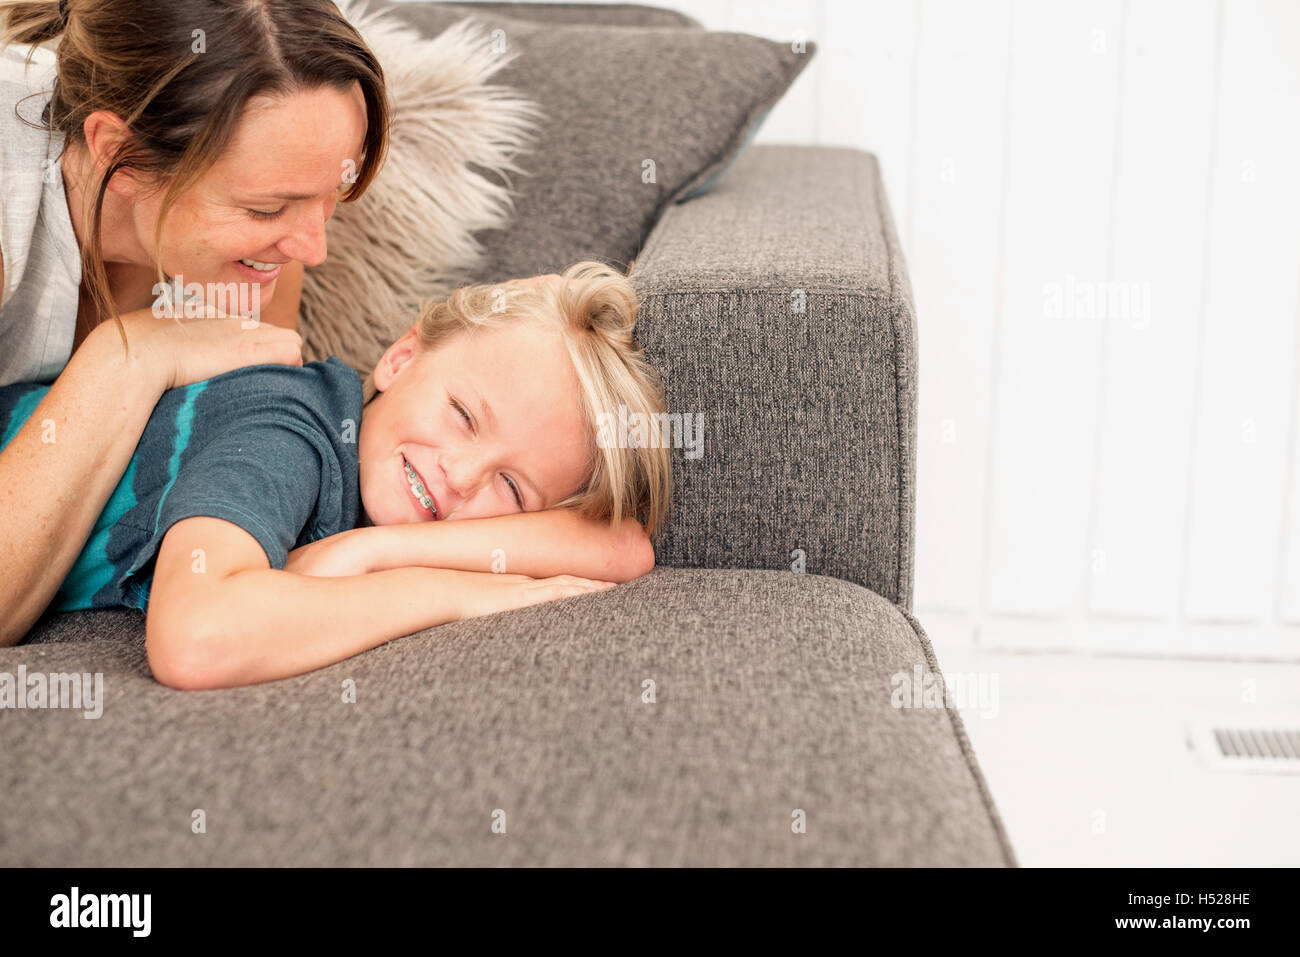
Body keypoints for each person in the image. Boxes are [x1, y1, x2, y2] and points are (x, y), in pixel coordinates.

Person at [0, 262, 673, 689]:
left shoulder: (367, 497)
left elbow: (621, 546)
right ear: (401, 359)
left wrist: (372, 549)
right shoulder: (285, 425)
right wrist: (447, 592)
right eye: (464, 416)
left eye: (512, 487)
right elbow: (196, 638)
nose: (462, 476)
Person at [0, 0, 391, 644]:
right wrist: (128, 356)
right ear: (118, 155)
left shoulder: (266, 243)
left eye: (330, 197)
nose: (312, 249)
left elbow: (243, 442)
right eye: (268, 208)